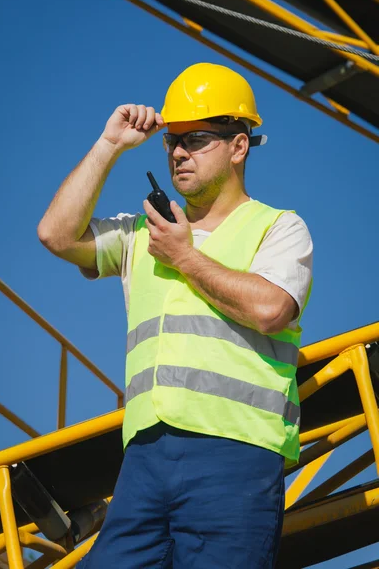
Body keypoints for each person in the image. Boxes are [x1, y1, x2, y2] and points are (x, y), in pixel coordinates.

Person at [38, 62, 312, 568]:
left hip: (236, 454)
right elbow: (56, 235)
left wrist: (185, 257)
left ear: (238, 146)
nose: (179, 152)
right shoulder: (141, 234)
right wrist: (109, 145)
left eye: (199, 138)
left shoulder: (278, 228)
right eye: (173, 142)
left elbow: (272, 309)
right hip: (144, 458)